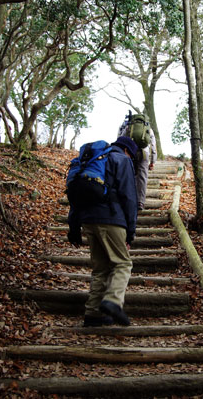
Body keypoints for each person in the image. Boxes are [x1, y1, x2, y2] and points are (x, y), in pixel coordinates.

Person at [67, 136, 139, 327]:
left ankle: (92, 313)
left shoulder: (93, 161)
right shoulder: (121, 160)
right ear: (127, 151)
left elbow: (75, 196)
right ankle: (113, 301)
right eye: (131, 155)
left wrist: (73, 227)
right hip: (112, 219)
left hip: (88, 220)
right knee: (123, 263)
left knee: (100, 268)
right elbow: (129, 197)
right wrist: (131, 231)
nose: (131, 158)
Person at [118, 112, 157, 211]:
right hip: (144, 154)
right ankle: (140, 202)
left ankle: (128, 201)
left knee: (129, 176)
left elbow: (120, 140)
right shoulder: (148, 128)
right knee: (142, 177)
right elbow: (153, 145)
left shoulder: (128, 127)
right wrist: (153, 161)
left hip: (130, 153)